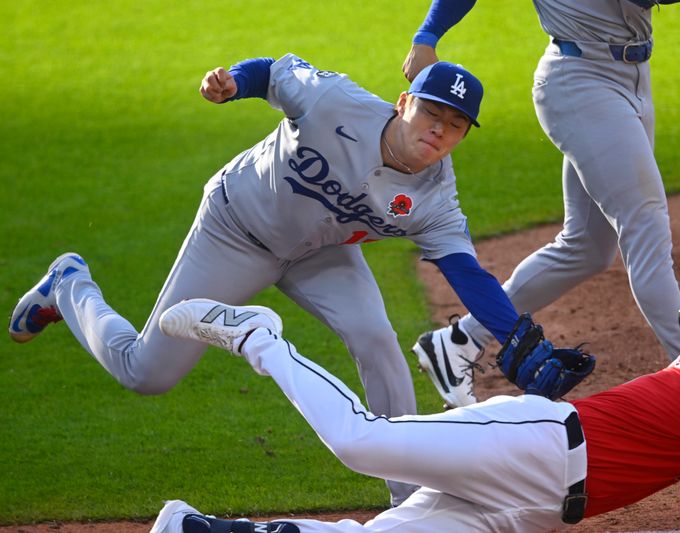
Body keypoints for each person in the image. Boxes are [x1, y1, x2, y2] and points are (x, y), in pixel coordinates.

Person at [7, 54, 521, 505]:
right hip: (236, 230)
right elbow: (274, 73)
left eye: (455, 124)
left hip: (320, 254)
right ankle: (69, 284)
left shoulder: (437, 197)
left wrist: (521, 337)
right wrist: (233, 82)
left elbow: (466, 274)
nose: (439, 129)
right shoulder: (333, 100)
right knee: (146, 374)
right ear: (404, 101)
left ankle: (406, 499)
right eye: (432, 111)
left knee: (377, 339)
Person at [149, 275, 680, 532]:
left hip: (532, 508)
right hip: (536, 446)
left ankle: (194, 528)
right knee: (358, 440)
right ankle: (259, 336)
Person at [403, 0, 680, 408]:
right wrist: (428, 35)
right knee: (644, 224)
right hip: (583, 83)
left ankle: (461, 340)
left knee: (588, 247)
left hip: (631, 78)